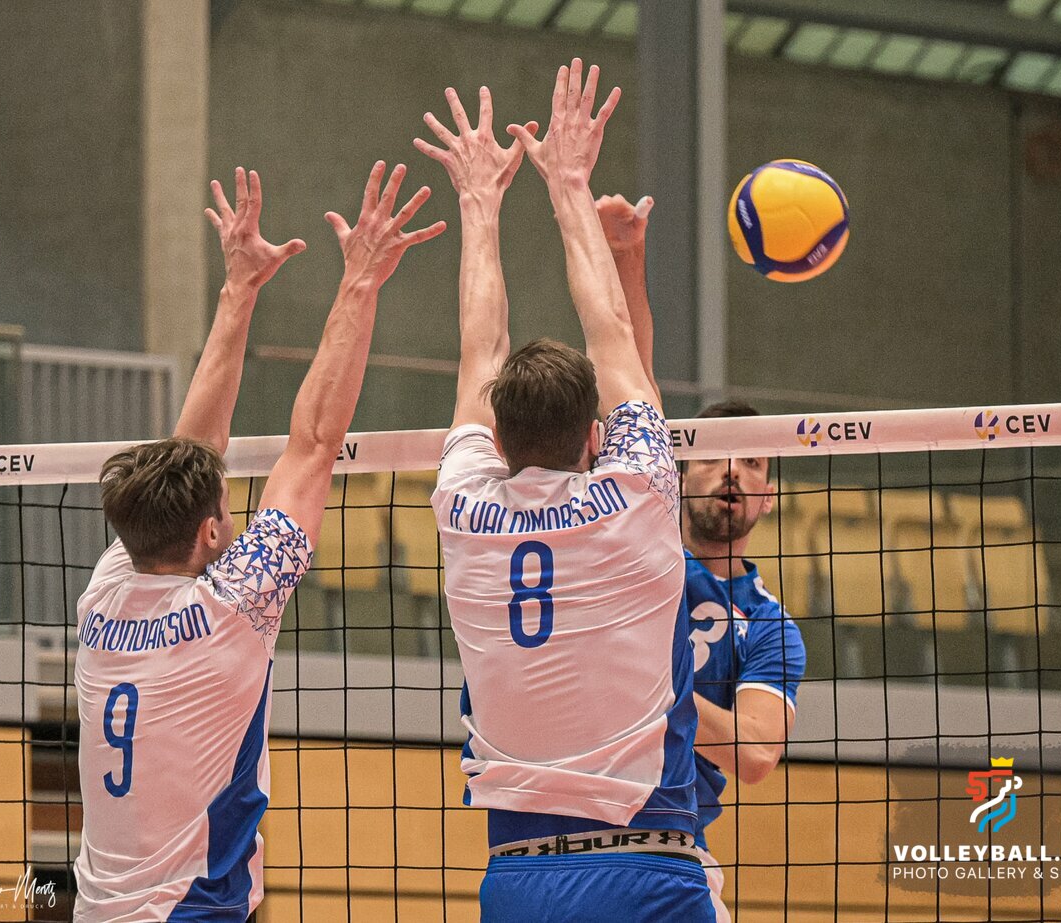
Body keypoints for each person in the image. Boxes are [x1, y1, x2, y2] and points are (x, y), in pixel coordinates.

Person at [72, 164, 443, 921]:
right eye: (227, 508)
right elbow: (314, 441)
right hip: (190, 911)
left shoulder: (104, 597)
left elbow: (192, 454)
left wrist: (238, 290)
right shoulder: (233, 605)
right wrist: (360, 279)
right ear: (211, 531)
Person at [417, 60, 714, 921]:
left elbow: (480, 348)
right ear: (595, 436)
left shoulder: (463, 509)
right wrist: (569, 185)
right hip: (649, 868)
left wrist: (479, 201)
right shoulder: (638, 492)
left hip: (517, 879)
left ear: (498, 437)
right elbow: (612, 331)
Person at [596, 194, 807, 922]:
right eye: (716, 457)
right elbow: (629, 382)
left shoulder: (770, 627)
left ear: (769, 496)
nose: (733, 472)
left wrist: (653, 692)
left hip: (674, 845)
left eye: (753, 463)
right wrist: (627, 258)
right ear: (679, 473)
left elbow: (756, 755)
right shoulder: (641, 542)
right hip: (575, 823)